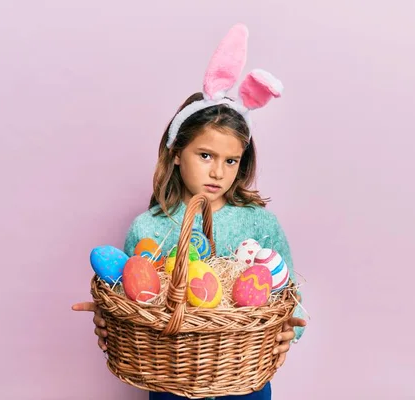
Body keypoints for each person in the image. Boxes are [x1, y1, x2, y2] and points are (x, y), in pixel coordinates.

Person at [72, 23, 307, 400]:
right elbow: (136, 295)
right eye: (205, 155)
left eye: (231, 161)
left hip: (243, 380)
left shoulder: (259, 222)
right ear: (176, 153)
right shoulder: (150, 226)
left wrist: (289, 330)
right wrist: (110, 315)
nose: (218, 171)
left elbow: (289, 295)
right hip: (172, 381)